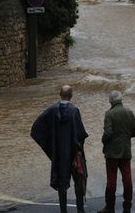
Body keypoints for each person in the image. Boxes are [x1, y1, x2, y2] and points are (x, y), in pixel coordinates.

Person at [31, 85, 88, 213]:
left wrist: (50, 148)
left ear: (60, 94)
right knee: (78, 181)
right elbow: (80, 134)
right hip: (73, 154)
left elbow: (35, 129)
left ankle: (63, 211)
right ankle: (80, 210)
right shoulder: (74, 111)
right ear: (71, 95)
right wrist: (79, 152)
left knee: (62, 184)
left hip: (59, 154)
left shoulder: (51, 110)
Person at [98, 90, 135, 213]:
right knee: (127, 178)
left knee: (111, 180)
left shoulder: (109, 114)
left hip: (112, 153)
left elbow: (108, 133)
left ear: (110, 101)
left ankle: (110, 207)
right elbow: (134, 133)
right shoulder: (130, 113)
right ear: (121, 100)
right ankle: (127, 206)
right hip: (126, 151)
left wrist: (103, 141)